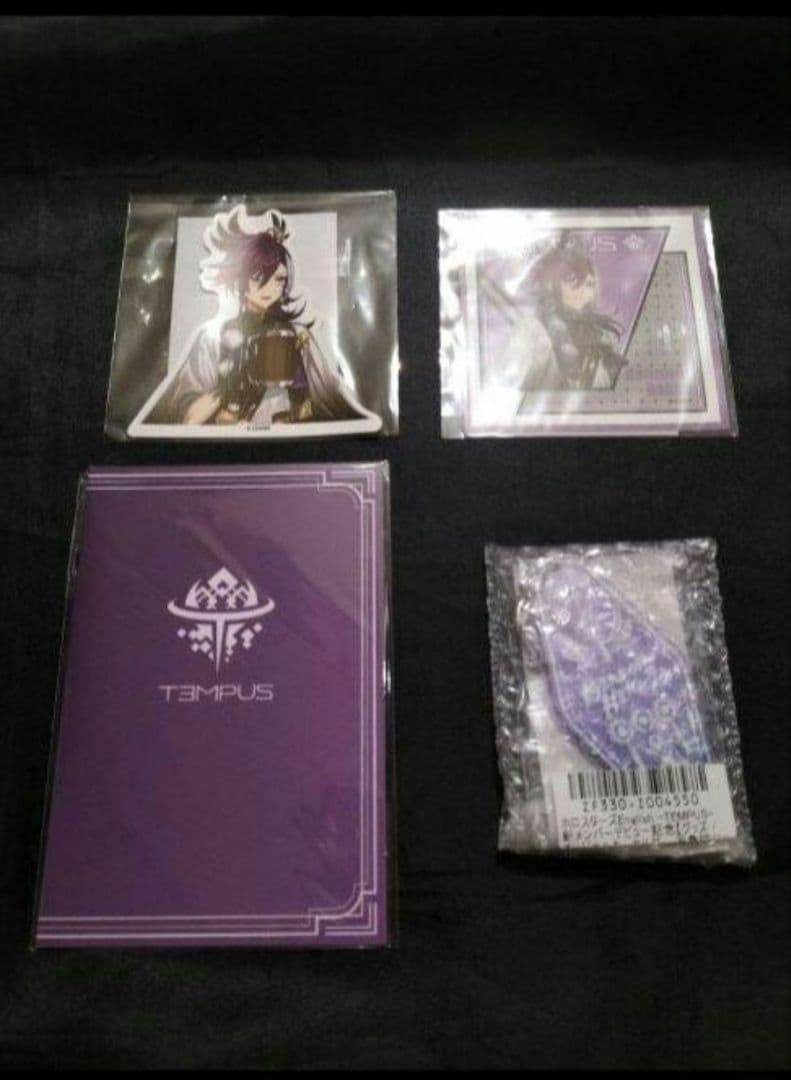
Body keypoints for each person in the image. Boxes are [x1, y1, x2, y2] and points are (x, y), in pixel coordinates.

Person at [160, 208, 376, 427]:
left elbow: (330, 403)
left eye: (279, 279)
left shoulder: (298, 335)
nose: (270, 288)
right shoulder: (213, 338)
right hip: (228, 439)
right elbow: (187, 420)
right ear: (241, 279)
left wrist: (296, 396)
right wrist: (229, 386)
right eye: (258, 277)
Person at [487, 241, 626, 398]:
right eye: (572, 281)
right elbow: (505, 385)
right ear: (552, 286)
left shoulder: (602, 342)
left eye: (589, 284)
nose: (582, 291)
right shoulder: (532, 330)